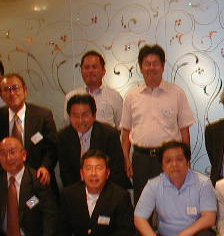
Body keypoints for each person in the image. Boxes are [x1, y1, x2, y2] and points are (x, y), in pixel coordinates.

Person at [120, 44, 195, 201]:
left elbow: (184, 132)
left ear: (163, 66)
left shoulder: (177, 93)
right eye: (147, 64)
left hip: (170, 158)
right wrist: (126, 159)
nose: (151, 68)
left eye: (155, 63)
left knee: (172, 202)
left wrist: (186, 159)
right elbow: (125, 133)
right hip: (141, 159)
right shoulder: (132, 96)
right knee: (143, 203)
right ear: (141, 67)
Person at [0, 73, 58, 189]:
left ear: (25, 90)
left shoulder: (43, 115)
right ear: (1, 95)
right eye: (6, 90)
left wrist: (45, 166)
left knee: (37, 200)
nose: (12, 93)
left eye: (15, 88)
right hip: (5, 180)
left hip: (38, 179)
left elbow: (52, 147)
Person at [58, 94, 129, 189]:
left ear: (94, 115)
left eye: (85, 115)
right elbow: (66, 173)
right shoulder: (63, 136)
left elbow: (116, 171)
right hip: (77, 191)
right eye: (75, 116)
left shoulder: (109, 134)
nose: (80, 121)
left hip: (107, 190)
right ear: (69, 116)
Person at [63, 50, 123, 128]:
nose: (90, 71)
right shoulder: (71, 96)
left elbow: (121, 127)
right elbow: (67, 126)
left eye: (94, 67)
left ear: (103, 71)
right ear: (81, 71)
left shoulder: (115, 97)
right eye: (86, 67)